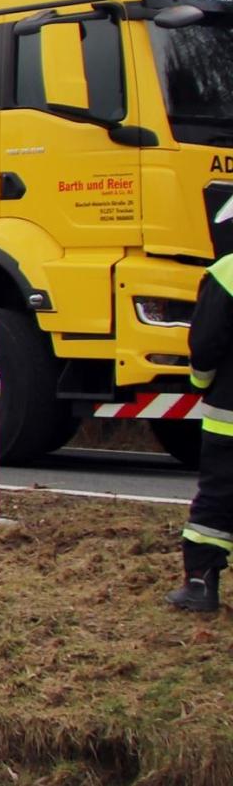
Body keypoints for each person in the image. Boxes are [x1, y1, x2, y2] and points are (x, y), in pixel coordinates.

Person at [168, 247, 233, 612]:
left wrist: (200, 381)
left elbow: (206, 343)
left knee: (218, 502)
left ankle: (200, 586)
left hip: (229, 416)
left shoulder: (228, 271)